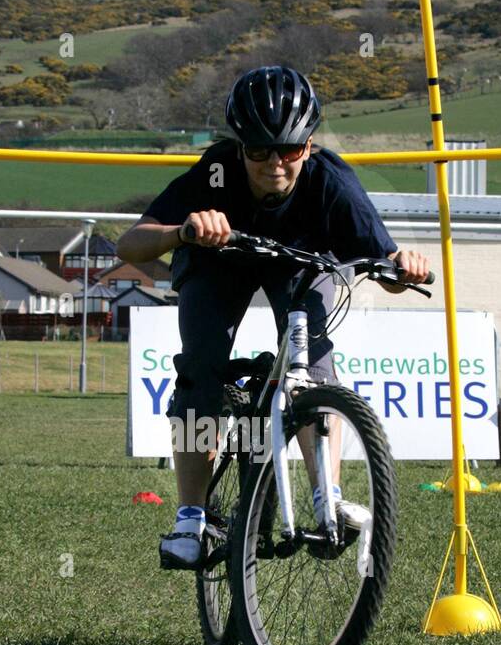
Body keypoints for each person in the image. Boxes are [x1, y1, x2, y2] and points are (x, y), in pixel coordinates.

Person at [116, 64, 430, 569]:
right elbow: (129, 244)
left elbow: (385, 264)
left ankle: (326, 496)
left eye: (289, 150)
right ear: (239, 147)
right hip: (217, 262)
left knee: (315, 366)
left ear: (308, 147)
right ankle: (190, 516)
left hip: (299, 264)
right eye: (258, 151)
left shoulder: (333, 182)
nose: (274, 164)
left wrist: (404, 267)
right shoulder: (214, 172)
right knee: (201, 366)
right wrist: (184, 231)